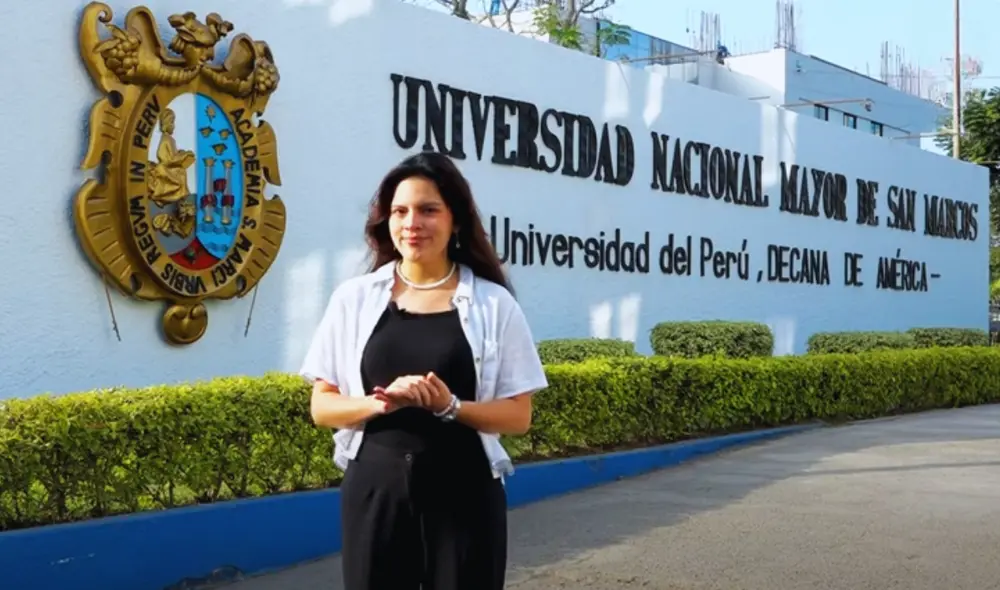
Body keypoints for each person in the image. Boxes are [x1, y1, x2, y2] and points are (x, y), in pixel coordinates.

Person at [299, 150, 548, 590]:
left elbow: (518, 416)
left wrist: (450, 406)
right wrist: (379, 403)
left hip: (465, 492)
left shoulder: (494, 304)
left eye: (428, 210)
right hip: (376, 490)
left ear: (456, 220)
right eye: (400, 211)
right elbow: (322, 407)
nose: (412, 223)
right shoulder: (354, 299)